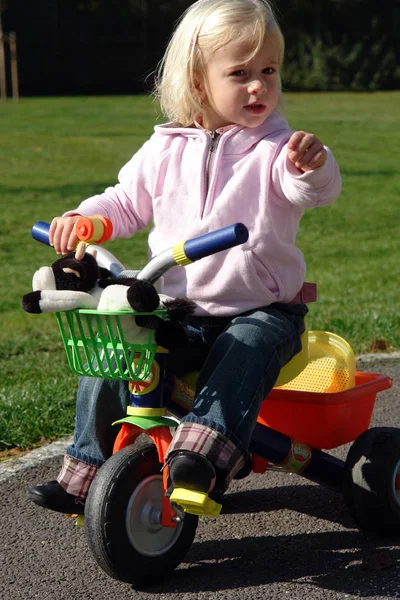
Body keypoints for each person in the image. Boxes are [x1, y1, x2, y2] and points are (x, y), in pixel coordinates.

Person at [29, 0, 341, 515]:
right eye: (239, 73)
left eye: (268, 70)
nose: (259, 85)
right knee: (114, 352)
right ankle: (84, 470)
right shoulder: (164, 148)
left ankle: (203, 456)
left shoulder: (277, 148)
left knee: (242, 347)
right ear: (198, 82)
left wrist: (313, 166)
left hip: (262, 310)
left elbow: (313, 190)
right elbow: (125, 201)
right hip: (180, 311)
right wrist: (88, 220)